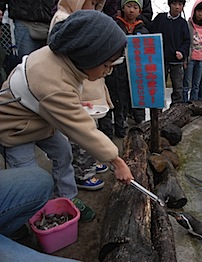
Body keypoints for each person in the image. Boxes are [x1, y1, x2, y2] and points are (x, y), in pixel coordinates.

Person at [0, 10, 134, 222]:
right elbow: (83, 131)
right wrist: (116, 161)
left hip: (39, 120)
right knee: (30, 179)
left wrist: (77, 104)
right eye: (106, 65)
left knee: (63, 153)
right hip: (14, 128)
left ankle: (67, 199)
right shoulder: (53, 82)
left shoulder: (65, 58)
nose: (108, 72)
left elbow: (54, 99)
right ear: (88, 56)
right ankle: (32, 218)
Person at [50, 0, 110, 192]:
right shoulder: (63, 19)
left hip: (90, 88)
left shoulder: (86, 19)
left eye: (97, 4)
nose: (94, 7)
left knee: (93, 126)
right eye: (91, 2)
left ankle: (91, 163)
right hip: (76, 87)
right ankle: (82, 173)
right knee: (81, 132)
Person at [105, 0, 148, 138]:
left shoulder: (143, 30)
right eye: (129, 6)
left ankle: (140, 126)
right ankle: (118, 128)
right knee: (118, 99)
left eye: (135, 7)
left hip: (136, 72)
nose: (131, 10)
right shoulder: (114, 26)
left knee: (137, 96)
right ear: (123, 8)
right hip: (117, 71)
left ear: (139, 11)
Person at [149, 0, 190, 105]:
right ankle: (157, 110)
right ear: (169, 4)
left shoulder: (183, 23)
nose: (177, 7)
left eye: (180, 5)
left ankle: (176, 109)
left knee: (177, 87)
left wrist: (182, 52)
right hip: (160, 60)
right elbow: (151, 33)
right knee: (158, 86)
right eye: (174, 4)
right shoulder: (160, 18)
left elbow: (187, 41)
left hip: (176, 61)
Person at [183, 0, 202, 102]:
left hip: (201, 60)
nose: (200, 14)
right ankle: (183, 105)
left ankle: (193, 105)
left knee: (196, 85)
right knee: (187, 84)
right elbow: (185, 42)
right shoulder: (188, 24)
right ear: (194, 10)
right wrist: (185, 59)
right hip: (190, 59)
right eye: (199, 10)